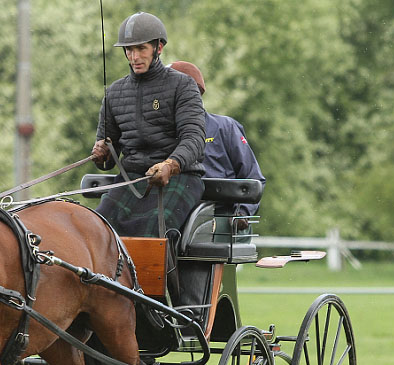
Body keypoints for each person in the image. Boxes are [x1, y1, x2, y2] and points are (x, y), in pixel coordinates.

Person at [91, 12, 206, 238]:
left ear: (158, 47)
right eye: (129, 50)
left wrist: (170, 164)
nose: (134, 56)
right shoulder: (114, 93)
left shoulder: (182, 86)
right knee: (96, 231)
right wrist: (102, 154)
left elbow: (194, 138)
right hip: (131, 179)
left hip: (179, 178)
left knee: (151, 233)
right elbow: (108, 154)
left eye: (141, 48)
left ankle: (166, 274)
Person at [168, 60, 266, 227]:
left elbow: (252, 177)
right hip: (171, 215)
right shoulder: (159, 133)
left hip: (220, 219)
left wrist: (242, 213)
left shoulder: (225, 128)